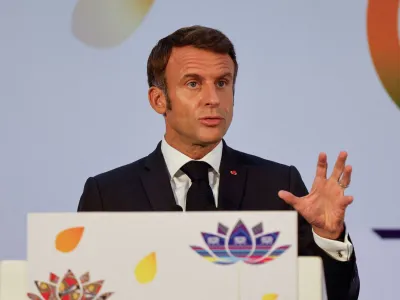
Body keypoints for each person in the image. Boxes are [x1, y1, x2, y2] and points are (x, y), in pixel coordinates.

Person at [78, 25, 359, 299]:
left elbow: (334, 294)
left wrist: (328, 236)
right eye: (193, 83)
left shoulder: (278, 187)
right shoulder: (109, 194)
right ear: (158, 100)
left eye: (222, 83)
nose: (213, 99)